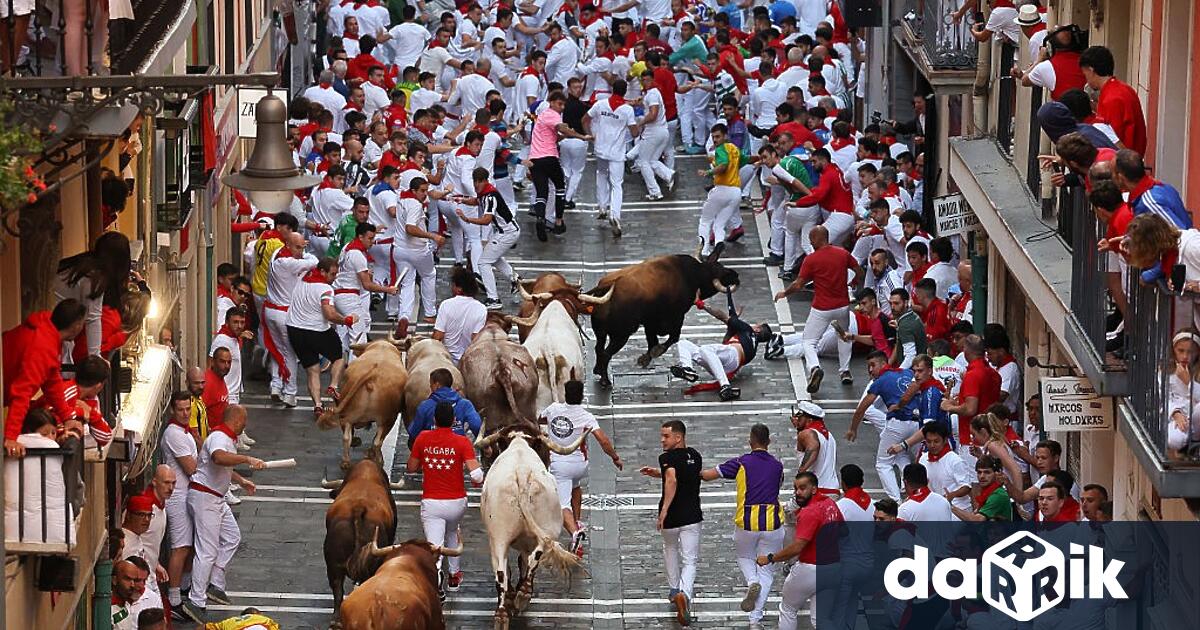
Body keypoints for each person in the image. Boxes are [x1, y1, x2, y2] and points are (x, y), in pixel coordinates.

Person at [180, 406, 264, 623]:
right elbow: (218, 458)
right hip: (205, 498)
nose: (245, 424)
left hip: (215, 497)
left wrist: (241, 480)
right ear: (236, 421)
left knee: (232, 538)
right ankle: (196, 600)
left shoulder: (226, 438)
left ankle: (214, 581)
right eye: (244, 420)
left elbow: (223, 466)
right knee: (206, 550)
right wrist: (247, 459)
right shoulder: (219, 437)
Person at [697, 424, 784, 628]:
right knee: (767, 571)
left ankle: (751, 581)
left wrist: (692, 473)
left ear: (750, 441)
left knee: (744, 557)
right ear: (768, 442)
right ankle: (755, 620)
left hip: (746, 522)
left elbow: (709, 475)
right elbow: (777, 485)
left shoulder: (741, 463)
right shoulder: (778, 465)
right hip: (772, 522)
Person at [407, 401, 483, 597]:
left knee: (434, 546)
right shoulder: (462, 441)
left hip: (432, 502)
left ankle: (437, 574)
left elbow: (411, 467)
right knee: (452, 531)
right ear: (454, 420)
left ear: (434, 419)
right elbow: (476, 475)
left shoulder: (423, 438)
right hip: (457, 503)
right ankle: (454, 576)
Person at [538, 380, 621, 554]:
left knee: (562, 505)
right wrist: (615, 458)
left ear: (565, 394)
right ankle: (577, 521)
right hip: (580, 465)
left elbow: (539, 419)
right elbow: (603, 440)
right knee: (576, 487)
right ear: (582, 396)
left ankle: (575, 533)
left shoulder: (553, 409)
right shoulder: (586, 417)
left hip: (559, 465)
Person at [774, 225, 861, 391]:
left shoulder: (812, 259)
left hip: (822, 308)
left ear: (816, 239)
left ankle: (814, 367)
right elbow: (858, 270)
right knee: (843, 335)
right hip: (843, 306)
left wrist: (785, 293)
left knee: (809, 342)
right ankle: (845, 371)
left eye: (811, 238)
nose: (810, 242)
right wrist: (854, 280)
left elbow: (799, 284)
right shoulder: (843, 253)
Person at [759, 470, 844, 630]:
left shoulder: (809, 512)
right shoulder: (830, 505)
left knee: (788, 609)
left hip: (810, 568)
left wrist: (770, 558)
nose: (798, 492)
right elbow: (843, 532)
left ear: (813, 489)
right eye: (796, 488)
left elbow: (797, 546)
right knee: (821, 619)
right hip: (833, 568)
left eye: (802, 488)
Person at [2, 299, 87, 457]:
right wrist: (11, 437)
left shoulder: (48, 332)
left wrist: (67, 417)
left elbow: (52, 382)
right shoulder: (42, 347)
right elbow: (22, 391)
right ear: (76, 325)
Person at [639, 420, 703, 626]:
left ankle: (675, 590)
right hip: (693, 515)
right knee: (690, 560)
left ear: (678, 437)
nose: (662, 440)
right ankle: (685, 592)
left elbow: (673, 479)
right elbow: (685, 474)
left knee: (670, 549)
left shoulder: (666, 458)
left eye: (666, 436)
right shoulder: (695, 455)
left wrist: (664, 510)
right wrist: (658, 472)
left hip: (672, 517)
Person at [671, 287, 773, 401]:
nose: (753, 325)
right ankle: (687, 368)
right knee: (684, 344)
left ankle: (725, 386)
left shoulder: (747, 330)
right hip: (723, 365)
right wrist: (732, 325)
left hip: (731, 357)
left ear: (758, 330)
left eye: (756, 325)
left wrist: (701, 304)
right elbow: (724, 343)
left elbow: (721, 315)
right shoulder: (752, 347)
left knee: (705, 349)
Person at [287, 257, 359, 416]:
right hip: (317, 330)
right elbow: (329, 314)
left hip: (295, 330)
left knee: (312, 370)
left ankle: (318, 405)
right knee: (339, 356)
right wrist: (346, 320)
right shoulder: (325, 290)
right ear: (322, 272)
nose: (334, 278)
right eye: (332, 274)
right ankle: (333, 385)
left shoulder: (303, 277)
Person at [845, 351, 918, 500]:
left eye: (873, 365)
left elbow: (862, 408)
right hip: (917, 424)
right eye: (868, 366)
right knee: (912, 456)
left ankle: (896, 501)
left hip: (897, 423)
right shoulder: (908, 373)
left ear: (884, 364)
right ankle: (915, 494)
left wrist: (853, 429)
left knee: (883, 463)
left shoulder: (880, 381)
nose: (870, 370)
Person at [264, 232, 319, 408]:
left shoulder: (276, 254)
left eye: (302, 247)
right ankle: (290, 393)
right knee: (290, 354)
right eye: (297, 247)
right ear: (287, 244)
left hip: (270, 310)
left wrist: (301, 248)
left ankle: (276, 384)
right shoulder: (289, 263)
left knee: (277, 350)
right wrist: (306, 252)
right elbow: (314, 261)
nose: (300, 251)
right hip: (285, 314)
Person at [528, 90, 592, 241]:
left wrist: (563, 135)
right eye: (559, 104)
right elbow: (562, 128)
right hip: (549, 157)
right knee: (560, 187)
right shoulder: (552, 115)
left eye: (563, 104)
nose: (562, 107)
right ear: (551, 103)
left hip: (535, 158)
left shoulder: (542, 117)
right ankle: (558, 220)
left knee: (542, 192)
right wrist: (582, 136)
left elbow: (555, 135)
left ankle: (540, 218)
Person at [456, 167, 520, 309]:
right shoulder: (485, 193)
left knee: (483, 263)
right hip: (506, 231)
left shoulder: (490, 196)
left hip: (507, 233)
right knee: (493, 257)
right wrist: (461, 200)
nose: (476, 185)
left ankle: (494, 299)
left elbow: (486, 220)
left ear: (486, 181)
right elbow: (477, 201)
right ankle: (515, 279)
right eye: (475, 181)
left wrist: (467, 219)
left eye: (479, 181)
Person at [585, 79, 639, 237]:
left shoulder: (601, 104)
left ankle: (602, 206)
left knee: (601, 175)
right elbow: (634, 133)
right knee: (617, 184)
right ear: (625, 91)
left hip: (600, 148)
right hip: (617, 152)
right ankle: (615, 215)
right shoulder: (627, 110)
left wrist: (591, 134)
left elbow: (585, 119)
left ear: (612, 89)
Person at [335, 222, 398, 357]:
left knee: (348, 333)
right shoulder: (357, 255)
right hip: (348, 297)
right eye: (369, 238)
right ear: (360, 237)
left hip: (340, 294)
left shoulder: (347, 247)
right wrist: (388, 290)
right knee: (359, 337)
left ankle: (341, 360)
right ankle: (355, 370)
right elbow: (367, 285)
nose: (372, 241)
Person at [160, 392, 197, 617]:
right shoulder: (174, 434)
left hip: (187, 494)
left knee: (189, 546)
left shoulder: (184, 433)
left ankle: (184, 588)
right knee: (180, 547)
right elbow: (191, 468)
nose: (185, 413)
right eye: (181, 409)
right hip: (177, 497)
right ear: (173, 410)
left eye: (188, 409)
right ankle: (174, 598)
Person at [942, 334, 1000, 466]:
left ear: (966, 351)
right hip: (991, 436)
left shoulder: (972, 375)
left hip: (972, 440)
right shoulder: (993, 373)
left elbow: (970, 409)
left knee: (972, 482)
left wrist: (949, 407)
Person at [1079, 45, 1147, 154]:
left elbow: (1112, 141)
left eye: (1085, 74)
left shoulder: (1111, 99)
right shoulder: (1125, 89)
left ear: (1091, 70)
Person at [696, 123, 747, 255]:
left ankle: (704, 250)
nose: (715, 140)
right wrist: (760, 160)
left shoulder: (720, 149)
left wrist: (708, 172)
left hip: (722, 189)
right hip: (736, 192)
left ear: (725, 136)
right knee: (719, 223)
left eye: (717, 136)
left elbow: (723, 165)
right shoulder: (734, 149)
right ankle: (719, 243)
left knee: (705, 220)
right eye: (713, 137)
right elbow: (744, 160)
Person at [407, 368, 483, 445]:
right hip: (457, 449)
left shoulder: (425, 406)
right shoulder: (465, 404)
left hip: (431, 451)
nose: (430, 387)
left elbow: (414, 433)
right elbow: (476, 426)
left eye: (431, 384)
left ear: (437, 385)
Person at [432, 266, 488, 363]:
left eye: (453, 285)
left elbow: (438, 336)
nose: (451, 288)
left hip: (447, 360)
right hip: (468, 361)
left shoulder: (446, 305)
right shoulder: (481, 309)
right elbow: (476, 340)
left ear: (459, 289)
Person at [791, 401, 839, 493]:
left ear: (809, 420)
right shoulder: (829, 435)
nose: (797, 418)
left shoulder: (807, 433)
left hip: (816, 490)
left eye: (800, 416)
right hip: (832, 489)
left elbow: (813, 448)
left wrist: (800, 474)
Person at [208, 307, 251, 407]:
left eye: (242, 322)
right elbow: (210, 366)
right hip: (226, 397)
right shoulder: (222, 340)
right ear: (227, 323)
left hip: (232, 396)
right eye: (235, 322)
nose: (239, 326)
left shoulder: (234, 338)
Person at [112, 558, 152, 630]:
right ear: (115, 580)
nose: (132, 585)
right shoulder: (107, 608)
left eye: (135, 580)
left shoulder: (125, 603)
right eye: (127, 579)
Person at [202, 348, 232, 431]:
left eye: (229, 362)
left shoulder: (220, 377)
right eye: (222, 361)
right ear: (213, 362)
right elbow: (199, 412)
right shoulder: (207, 383)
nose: (226, 366)